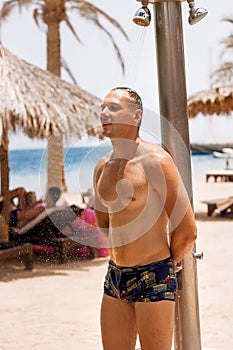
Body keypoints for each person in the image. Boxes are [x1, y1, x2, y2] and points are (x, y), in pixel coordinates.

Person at [93, 87, 197, 350]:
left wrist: (168, 264)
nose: (105, 113)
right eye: (103, 107)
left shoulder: (157, 162)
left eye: (114, 108)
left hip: (153, 273)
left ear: (136, 116)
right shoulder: (101, 166)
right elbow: (105, 222)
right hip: (115, 275)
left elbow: (187, 230)